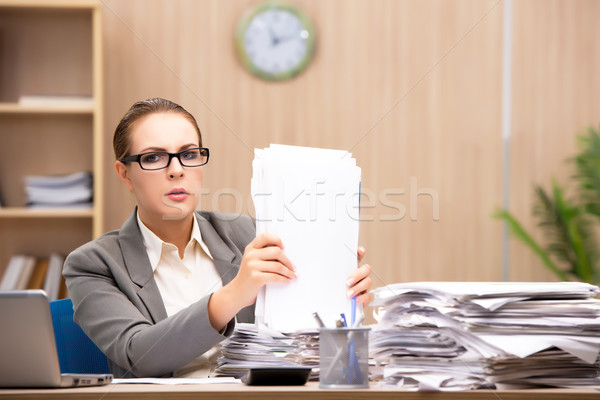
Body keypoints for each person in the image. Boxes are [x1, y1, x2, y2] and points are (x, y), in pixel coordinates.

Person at [63, 98, 373, 378]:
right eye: (154, 158)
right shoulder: (93, 264)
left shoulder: (253, 235)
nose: (176, 170)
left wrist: (337, 301)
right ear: (124, 174)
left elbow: (299, 349)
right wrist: (235, 293)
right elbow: (138, 354)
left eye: (188, 154)